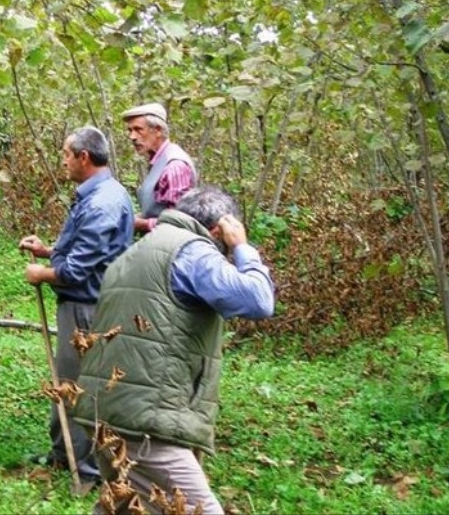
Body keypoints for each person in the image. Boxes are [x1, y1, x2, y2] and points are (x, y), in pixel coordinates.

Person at [72, 185, 275, 514]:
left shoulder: (138, 251)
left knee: (128, 507)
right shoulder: (193, 253)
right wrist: (242, 247)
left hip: (104, 410)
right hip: (146, 423)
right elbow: (258, 300)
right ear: (217, 229)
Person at [18, 126, 134, 484]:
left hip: (88, 308)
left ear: (84, 157)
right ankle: (63, 453)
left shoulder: (102, 202)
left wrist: (42, 272)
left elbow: (77, 270)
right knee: (71, 383)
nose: (64, 161)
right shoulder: (100, 194)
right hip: (86, 303)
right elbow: (92, 252)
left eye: (67, 154)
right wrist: (48, 251)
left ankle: (83, 468)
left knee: (75, 387)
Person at [121, 102, 197, 234]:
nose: (132, 137)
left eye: (138, 129)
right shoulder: (158, 161)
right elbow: (157, 210)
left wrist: (142, 224)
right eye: (130, 130)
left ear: (157, 130)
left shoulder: (174, 166)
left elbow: (180, 223)